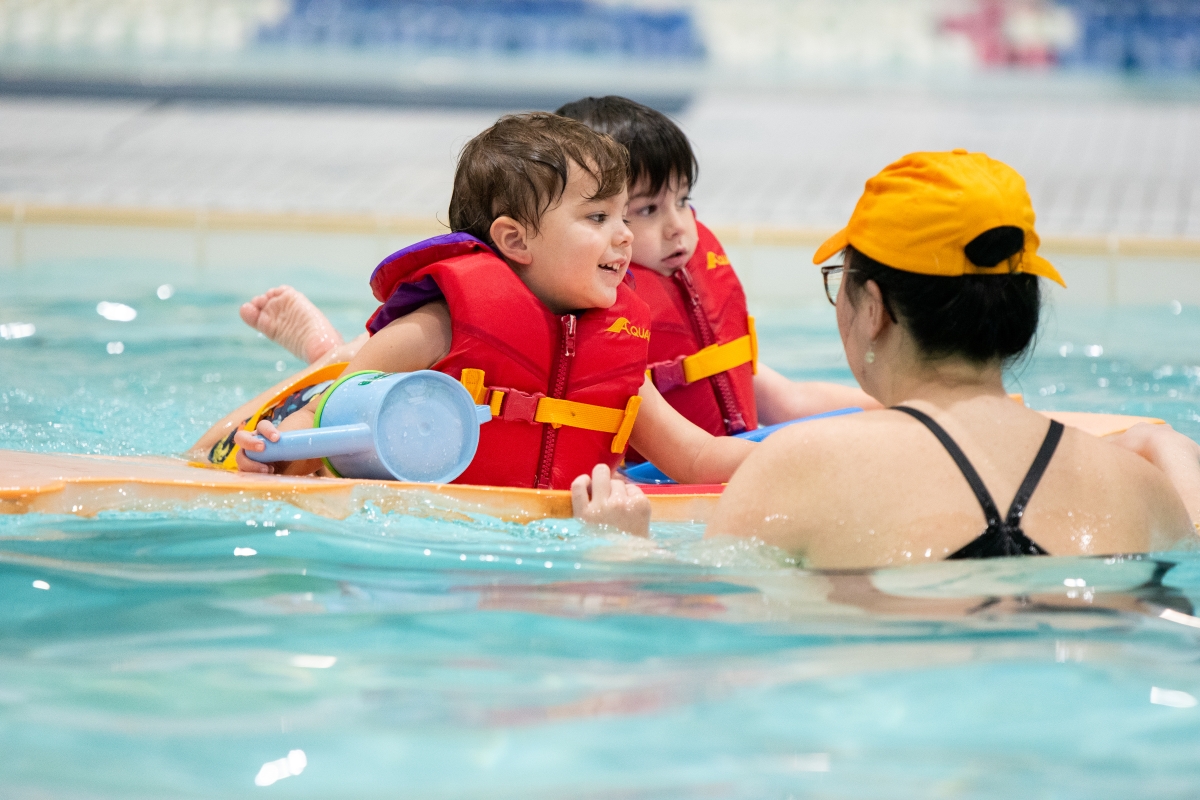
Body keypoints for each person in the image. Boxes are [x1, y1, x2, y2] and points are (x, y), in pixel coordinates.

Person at [573, 150, 1200, 566]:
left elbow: (708, 608)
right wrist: (1164, 445)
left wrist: (621, 548)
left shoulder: (798, 472)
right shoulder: (1145, 493)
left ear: (872, 306)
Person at [216, 112, 754, 489]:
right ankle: (319, 350)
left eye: (621, 216)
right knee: (321, 379)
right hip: (428, 515)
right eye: (597, 218)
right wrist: (280, 449)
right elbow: (329, 407)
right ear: (516, 240)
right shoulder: (442, 326)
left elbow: (697, 456)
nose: (625, 237)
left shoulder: (616, 353)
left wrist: (802, 455)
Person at [556, 96, 879, 444]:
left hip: (725, 454)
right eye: (648, 209)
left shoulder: (686, 277)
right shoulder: (597, 317)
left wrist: (900, 406)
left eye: (682, 201)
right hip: (671, 474)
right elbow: (691, 458)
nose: (678, 226)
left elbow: (785, 400)